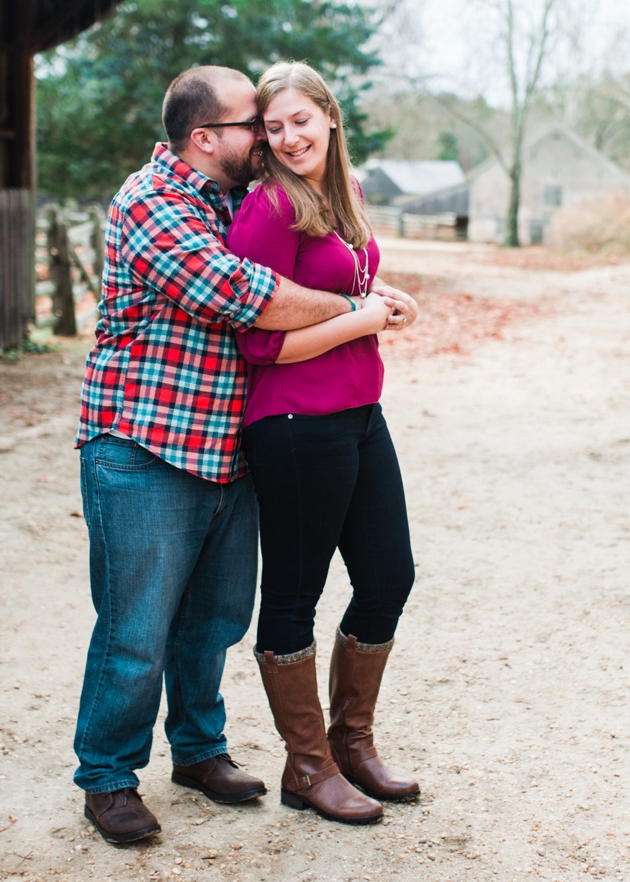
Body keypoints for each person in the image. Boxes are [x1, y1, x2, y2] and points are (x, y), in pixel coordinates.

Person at [72, 65, 405, 845]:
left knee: (215, 620)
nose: (269, 138)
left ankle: (198, 750)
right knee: (135, 629)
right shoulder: (152, 202)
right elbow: (246, 295)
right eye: (255, 125)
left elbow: (315, 250)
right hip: (144, 444)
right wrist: (362, 311)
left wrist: (373, 292)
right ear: (205, 138)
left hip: (224, 445)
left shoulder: (228, 195)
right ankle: (109, 777)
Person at [227, 61, 421, 826]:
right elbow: (260, 345)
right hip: (294, 425)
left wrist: (380, 299)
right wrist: (362, 319)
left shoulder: (345, 195)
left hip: (358, 412)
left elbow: (343, 291)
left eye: (300, 121)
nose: (288, 137)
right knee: (294, 595)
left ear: (330, 118)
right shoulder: (270, 207)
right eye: (273, 128)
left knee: (389, 576)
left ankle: (352, 743)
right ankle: (307, 767)